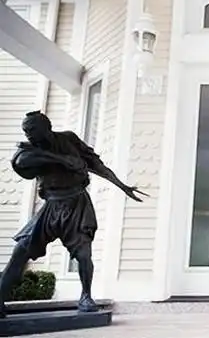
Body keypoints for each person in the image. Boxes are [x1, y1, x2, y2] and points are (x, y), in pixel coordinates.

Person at [0, 111, 146, 317]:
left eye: (32, 129)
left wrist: (122, 186)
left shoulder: (68, 139)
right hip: (51, 206)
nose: (28, 134)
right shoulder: (30, 150)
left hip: (76, 202)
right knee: (21, 250)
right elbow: (22, 161)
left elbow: (96, 165)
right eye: (26, 131)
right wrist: (61, 160)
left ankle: (86, 296)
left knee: (84, 254)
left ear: (46, 128)